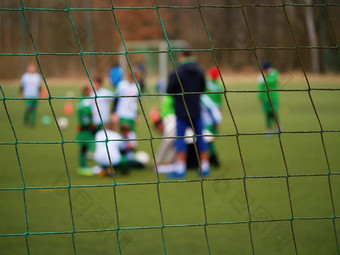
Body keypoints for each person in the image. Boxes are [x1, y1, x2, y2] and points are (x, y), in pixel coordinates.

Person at [166, 51, 210, 178]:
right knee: (200, 137)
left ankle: (180, 169)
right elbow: (202, 89)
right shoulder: (200, 71)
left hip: (181, 110)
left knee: (180, 139)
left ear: (181, 57)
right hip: (196, 109)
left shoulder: (177, 71)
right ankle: (205, 167)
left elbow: (170, 90)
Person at [113, 68, 141, 132]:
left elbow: (135, 102)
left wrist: (137, 115)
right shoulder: (122, 85)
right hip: (122, 114)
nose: (133, 79)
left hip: (132, 115)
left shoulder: (137, 86)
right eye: (131, 76)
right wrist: (114, 113)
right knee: (124, 135)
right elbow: (116, 99)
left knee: (132, 135)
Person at [76, 85, 95, 176]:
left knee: (83, 147)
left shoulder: (80, 101)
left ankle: (83, 165)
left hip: (82, 127)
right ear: (86, 91)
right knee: (84, 147)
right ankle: (83, 166)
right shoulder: (87, 102)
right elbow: (87, 112)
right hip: (86, 128)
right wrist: (91, 119)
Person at [257, 61, 280, 136]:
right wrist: (259, 97)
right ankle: (268, 130)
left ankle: (277, 127)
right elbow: (260, 87)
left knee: (274, 113)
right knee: (267, 114)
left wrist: (264, 80)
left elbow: (273, 81)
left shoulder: (274, 73)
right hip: (265, 98)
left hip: (273, 97)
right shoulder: (262, 76)